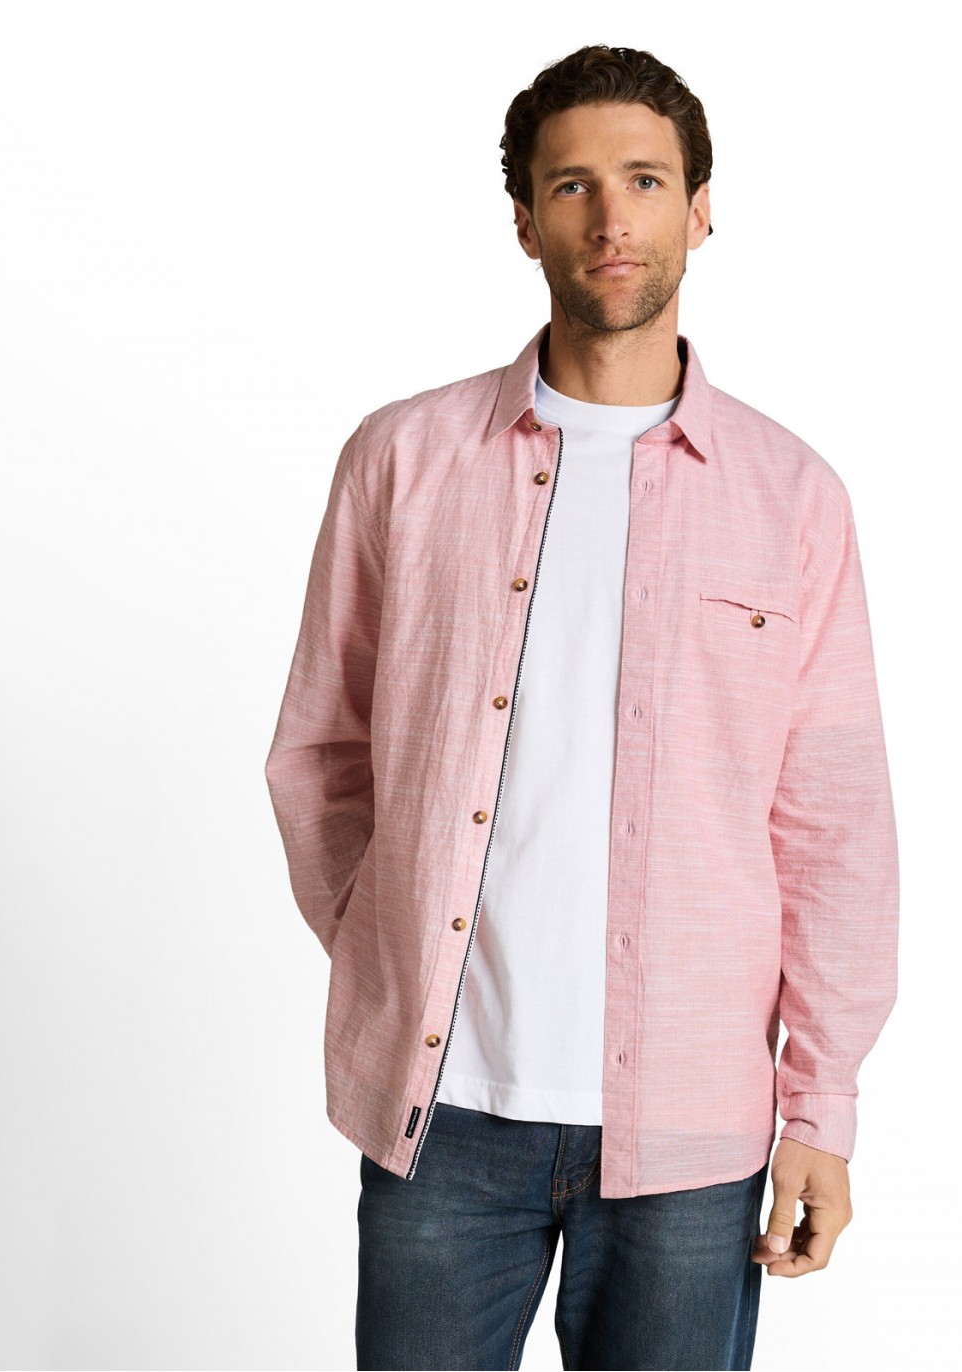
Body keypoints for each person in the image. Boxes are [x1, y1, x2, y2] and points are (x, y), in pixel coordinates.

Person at [265, 43, 899, 1372]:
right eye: (573, 185)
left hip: (693, 1131)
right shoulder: (403, 461)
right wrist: (388, 941)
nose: (613, 218)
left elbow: (833, 828)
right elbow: (322, 751)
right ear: (524, 220)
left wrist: (820, 1108)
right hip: (443, 1115)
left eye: (646, 180)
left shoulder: (793, 497)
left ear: (702, 208)